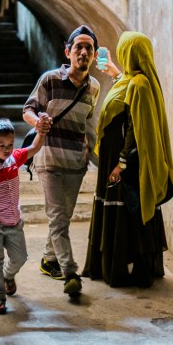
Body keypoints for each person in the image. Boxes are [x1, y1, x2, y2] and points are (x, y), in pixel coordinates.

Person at [83, 30, 173, 288]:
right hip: (118, 160)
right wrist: (116, 74)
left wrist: (120, 164)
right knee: (125, 210)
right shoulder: (134, 81)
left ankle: (126, 271)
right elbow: (128, 101)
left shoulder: (139, 85)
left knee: (128, 211)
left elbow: (136, 128)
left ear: (130, 54)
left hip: (123, 164)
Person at [22, 25, 102, 297]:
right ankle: (70, 272)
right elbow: (28, 110)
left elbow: (90, 129)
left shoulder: (94, 88)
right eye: (78, 47)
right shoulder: (50, 80)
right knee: (58, 216)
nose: (83, 52)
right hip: (50, 159)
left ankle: (49, 259)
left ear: (94, 55)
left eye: (88, 48)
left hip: (76, 163)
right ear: (67, 51)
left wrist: (99, 163)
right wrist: (38, 122)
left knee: (63, 216)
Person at [0, 116, 52, 315]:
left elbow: (34, 148)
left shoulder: (14, 159)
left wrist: (41, 132)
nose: (7, 149)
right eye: (1, 145)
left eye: (10, 144)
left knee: (20, 257)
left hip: (13, 222)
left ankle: (8, 276)